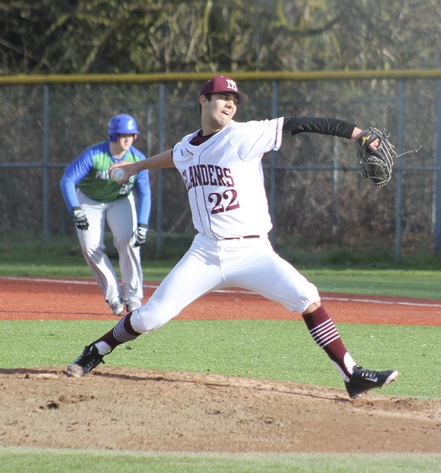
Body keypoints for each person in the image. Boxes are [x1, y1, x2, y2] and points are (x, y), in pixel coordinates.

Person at [66, 76, 398, 399]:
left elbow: (298, 123)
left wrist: (357, 135)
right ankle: (96, 350)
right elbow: (175, 155)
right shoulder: (186, 146)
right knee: (150, 317)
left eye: (235, 100)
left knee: (306, 295)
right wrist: (136, 168)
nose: (230, 104)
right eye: (224, 97)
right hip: (205, 253)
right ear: (203, 101)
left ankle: (351, 374)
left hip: (254, 252)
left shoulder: (244, 136)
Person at [60, 113, 151, 315]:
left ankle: (133, 298)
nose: (127, 139)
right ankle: (114, 298)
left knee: (130, 241)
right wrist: (75, 209)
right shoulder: (94, 155)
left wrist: (143, 224)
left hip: (120, 200)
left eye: (131, 135)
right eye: (122, 135)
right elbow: (67, 180)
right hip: (89, 200)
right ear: (112, 136)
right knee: (91, 248)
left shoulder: (137, 158)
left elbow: (144, 192)